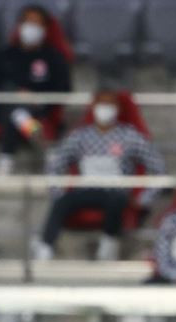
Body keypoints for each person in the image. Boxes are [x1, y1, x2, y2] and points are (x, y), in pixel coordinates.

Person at [34, 89, 166, 261]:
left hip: (115, 191)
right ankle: (45, 247)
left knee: (116, 200)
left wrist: (143, 199)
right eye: (101, 104)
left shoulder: (129, 136)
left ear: (117, 108)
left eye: (109, 104)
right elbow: (55, 164)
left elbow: (159, 168)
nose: (105, 109)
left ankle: (108, 245)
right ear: (93, 107)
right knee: (61, 202)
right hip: (85, 190)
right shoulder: (80, 136)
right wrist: (56, 191)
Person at [0, 4, 72, 175]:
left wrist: (35, 98)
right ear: (20, 26)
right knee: (14, 104)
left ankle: (5, 158)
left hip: (40, 108)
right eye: (28, 22)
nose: (31, 28)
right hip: (4, 107)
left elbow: (64, 88)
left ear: (45, 29)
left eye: (36, 23)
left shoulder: (53, 57)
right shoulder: (4, 55)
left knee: (16, 110)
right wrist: (16, 93)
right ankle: (44, 146)